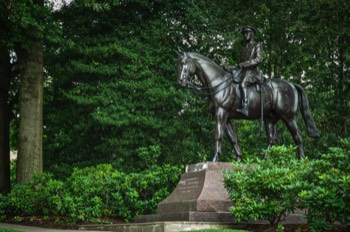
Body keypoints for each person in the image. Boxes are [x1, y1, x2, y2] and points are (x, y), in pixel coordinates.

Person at [225, 26, 263, 116]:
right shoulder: (244, 49)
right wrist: (229, 67)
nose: (245, 35)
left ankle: (245, 108)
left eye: (247, 33)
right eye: (244, 33)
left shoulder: (257, 45)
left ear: (252, 34)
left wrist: (244, 64)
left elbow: (258, 59)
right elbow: (239, 65)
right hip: (244, 72)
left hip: (253, 72)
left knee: (243, 84)